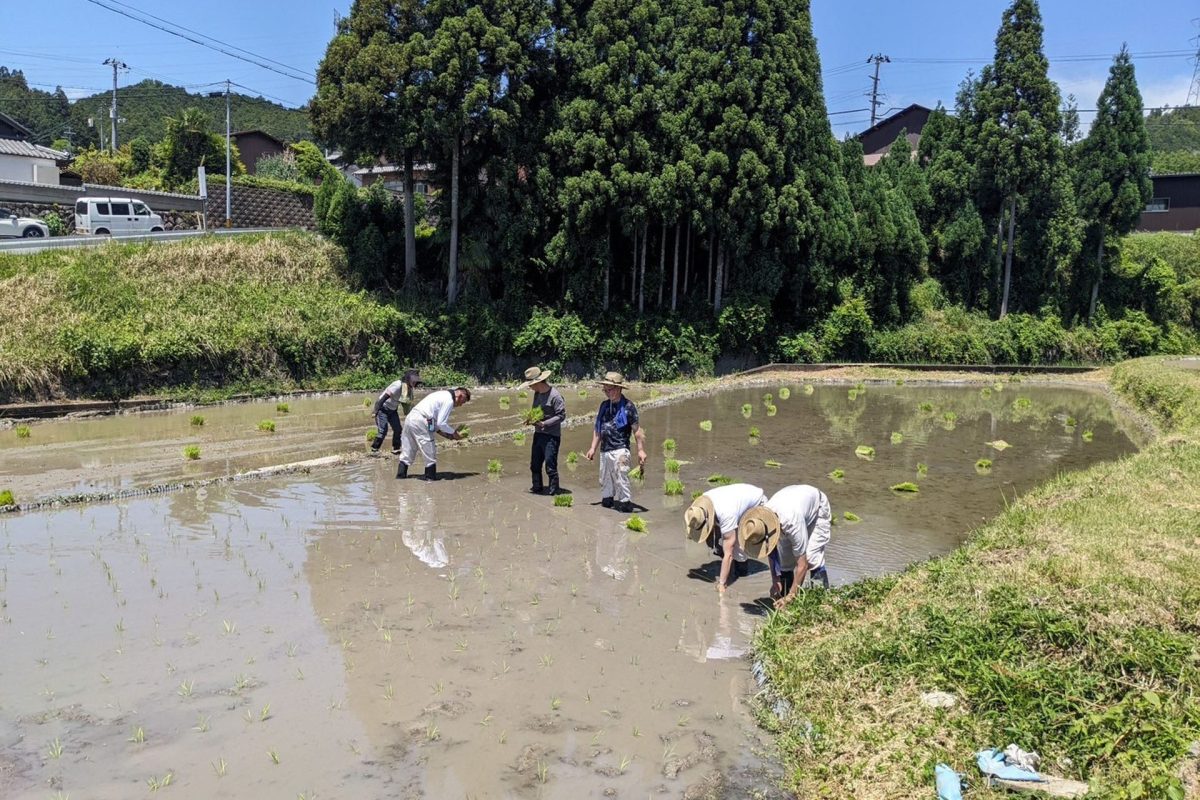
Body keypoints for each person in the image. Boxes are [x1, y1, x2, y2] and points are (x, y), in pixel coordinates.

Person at [736, 484, 832, 610]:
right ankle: (786, 605)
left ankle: (821, 604)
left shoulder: (792, 522)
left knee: (812, 558)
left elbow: (802, 565)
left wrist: (791, 596)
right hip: (793, 504)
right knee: (785, 564)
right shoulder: (763, 520)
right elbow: (771, 550)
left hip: (817, 508)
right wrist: (775, 580)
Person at [684, 483, 767, 594]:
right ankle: (735, 567)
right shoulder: (703, 504)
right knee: (725, 543)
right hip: (737, 503)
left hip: (758, 504)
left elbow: (729, 553)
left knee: (735, 546)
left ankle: (742, 571)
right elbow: (714, 522)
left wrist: (722, 584)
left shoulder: (726, 514)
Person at [584, 372, 646, 512]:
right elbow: (598, 428)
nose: (607, 392)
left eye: (610, 389)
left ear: (618, 389)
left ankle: (625, 503)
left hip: (620, 449)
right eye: (605, 390)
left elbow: (637, 430)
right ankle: (607, 501)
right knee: (605, 481)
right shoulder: (604, 405)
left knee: (621, 477)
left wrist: (641, 450)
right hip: (605, 450)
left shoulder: (628, 407)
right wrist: (593, 447)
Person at [396, 386, 471, 481]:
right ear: (460, 396)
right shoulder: (449, 400)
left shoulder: (441, 394)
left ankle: (400, 478)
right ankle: (430, 480)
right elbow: (441, 423)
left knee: (408, 451)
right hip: (421, 420)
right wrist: (454, 433)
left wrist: (447, 435)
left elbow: (432, 422)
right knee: (430, 453)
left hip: (411, 417)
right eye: (462, 402)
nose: (460, 405)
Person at [519, 365, 567, 495]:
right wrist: (529, 419)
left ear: (538, 382)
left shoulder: (555, 396)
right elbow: (536, 411)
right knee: (534, 464)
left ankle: (554, 492)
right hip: (539, 434)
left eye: (531, 384)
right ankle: (537, 488)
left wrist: (544, 423)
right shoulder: (537, 394)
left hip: (551, 436)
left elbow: (561, 415)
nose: (530, 387)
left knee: (550, 466)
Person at [370, 369, 422, 454]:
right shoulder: (397, 385)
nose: (415, 384)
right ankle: (374, 450)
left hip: (393, 410)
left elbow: (407, 405)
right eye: (414, 381)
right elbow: (384, 398)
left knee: (398, 429)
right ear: (408, 379)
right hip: (383, 408)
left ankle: (396, 448)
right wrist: (375, 411)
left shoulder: (408, 389)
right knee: (383, 431)